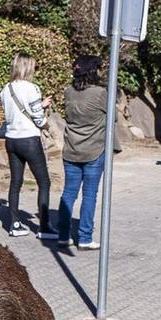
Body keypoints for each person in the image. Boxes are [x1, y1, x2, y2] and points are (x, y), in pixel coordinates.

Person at [0, 53, 55, 238]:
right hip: (29, 139)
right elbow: (37, 117)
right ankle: (44, 228)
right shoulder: (32, 88)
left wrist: (40, 104)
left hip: (11, 139)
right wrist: (46, 123)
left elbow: (14, 113)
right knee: (44, 182)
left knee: (16, 182)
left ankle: (14, 225)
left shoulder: (5, 89)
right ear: (28, 67)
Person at [57, 54, 108, 250]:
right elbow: (111, 118)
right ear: (93, 71)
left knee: (69, 193)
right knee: (89, 195)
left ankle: (63, 236)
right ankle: (85, 238)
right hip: (94, 150)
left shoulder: (68, 91)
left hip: (71, 149)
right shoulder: (100, 93)